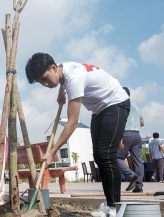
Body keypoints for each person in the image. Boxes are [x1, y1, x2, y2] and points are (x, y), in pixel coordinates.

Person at [25, 53, 130, 217]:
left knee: (106, 155)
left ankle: (113, 206)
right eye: (41, 82)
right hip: (99, 109)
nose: (45, 84)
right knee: (99, 156)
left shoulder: (74, 79)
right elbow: (62, 78)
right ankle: (109, 202)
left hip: (115, 103)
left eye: (45, 79)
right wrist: (61, 91)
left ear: (53, 68)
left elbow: (72, 122)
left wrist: (52, 151)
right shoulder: (61, 67)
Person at [116, 87, 144, 192]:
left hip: (125, 134)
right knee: (138, 161)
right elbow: (142, 123)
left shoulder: (120, 106)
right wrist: (133, 126)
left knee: (116, 157)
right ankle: (139, 187)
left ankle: (132, 176)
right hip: (137, 135)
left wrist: (120, 137)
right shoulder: (136, 107)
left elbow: (118, 123)